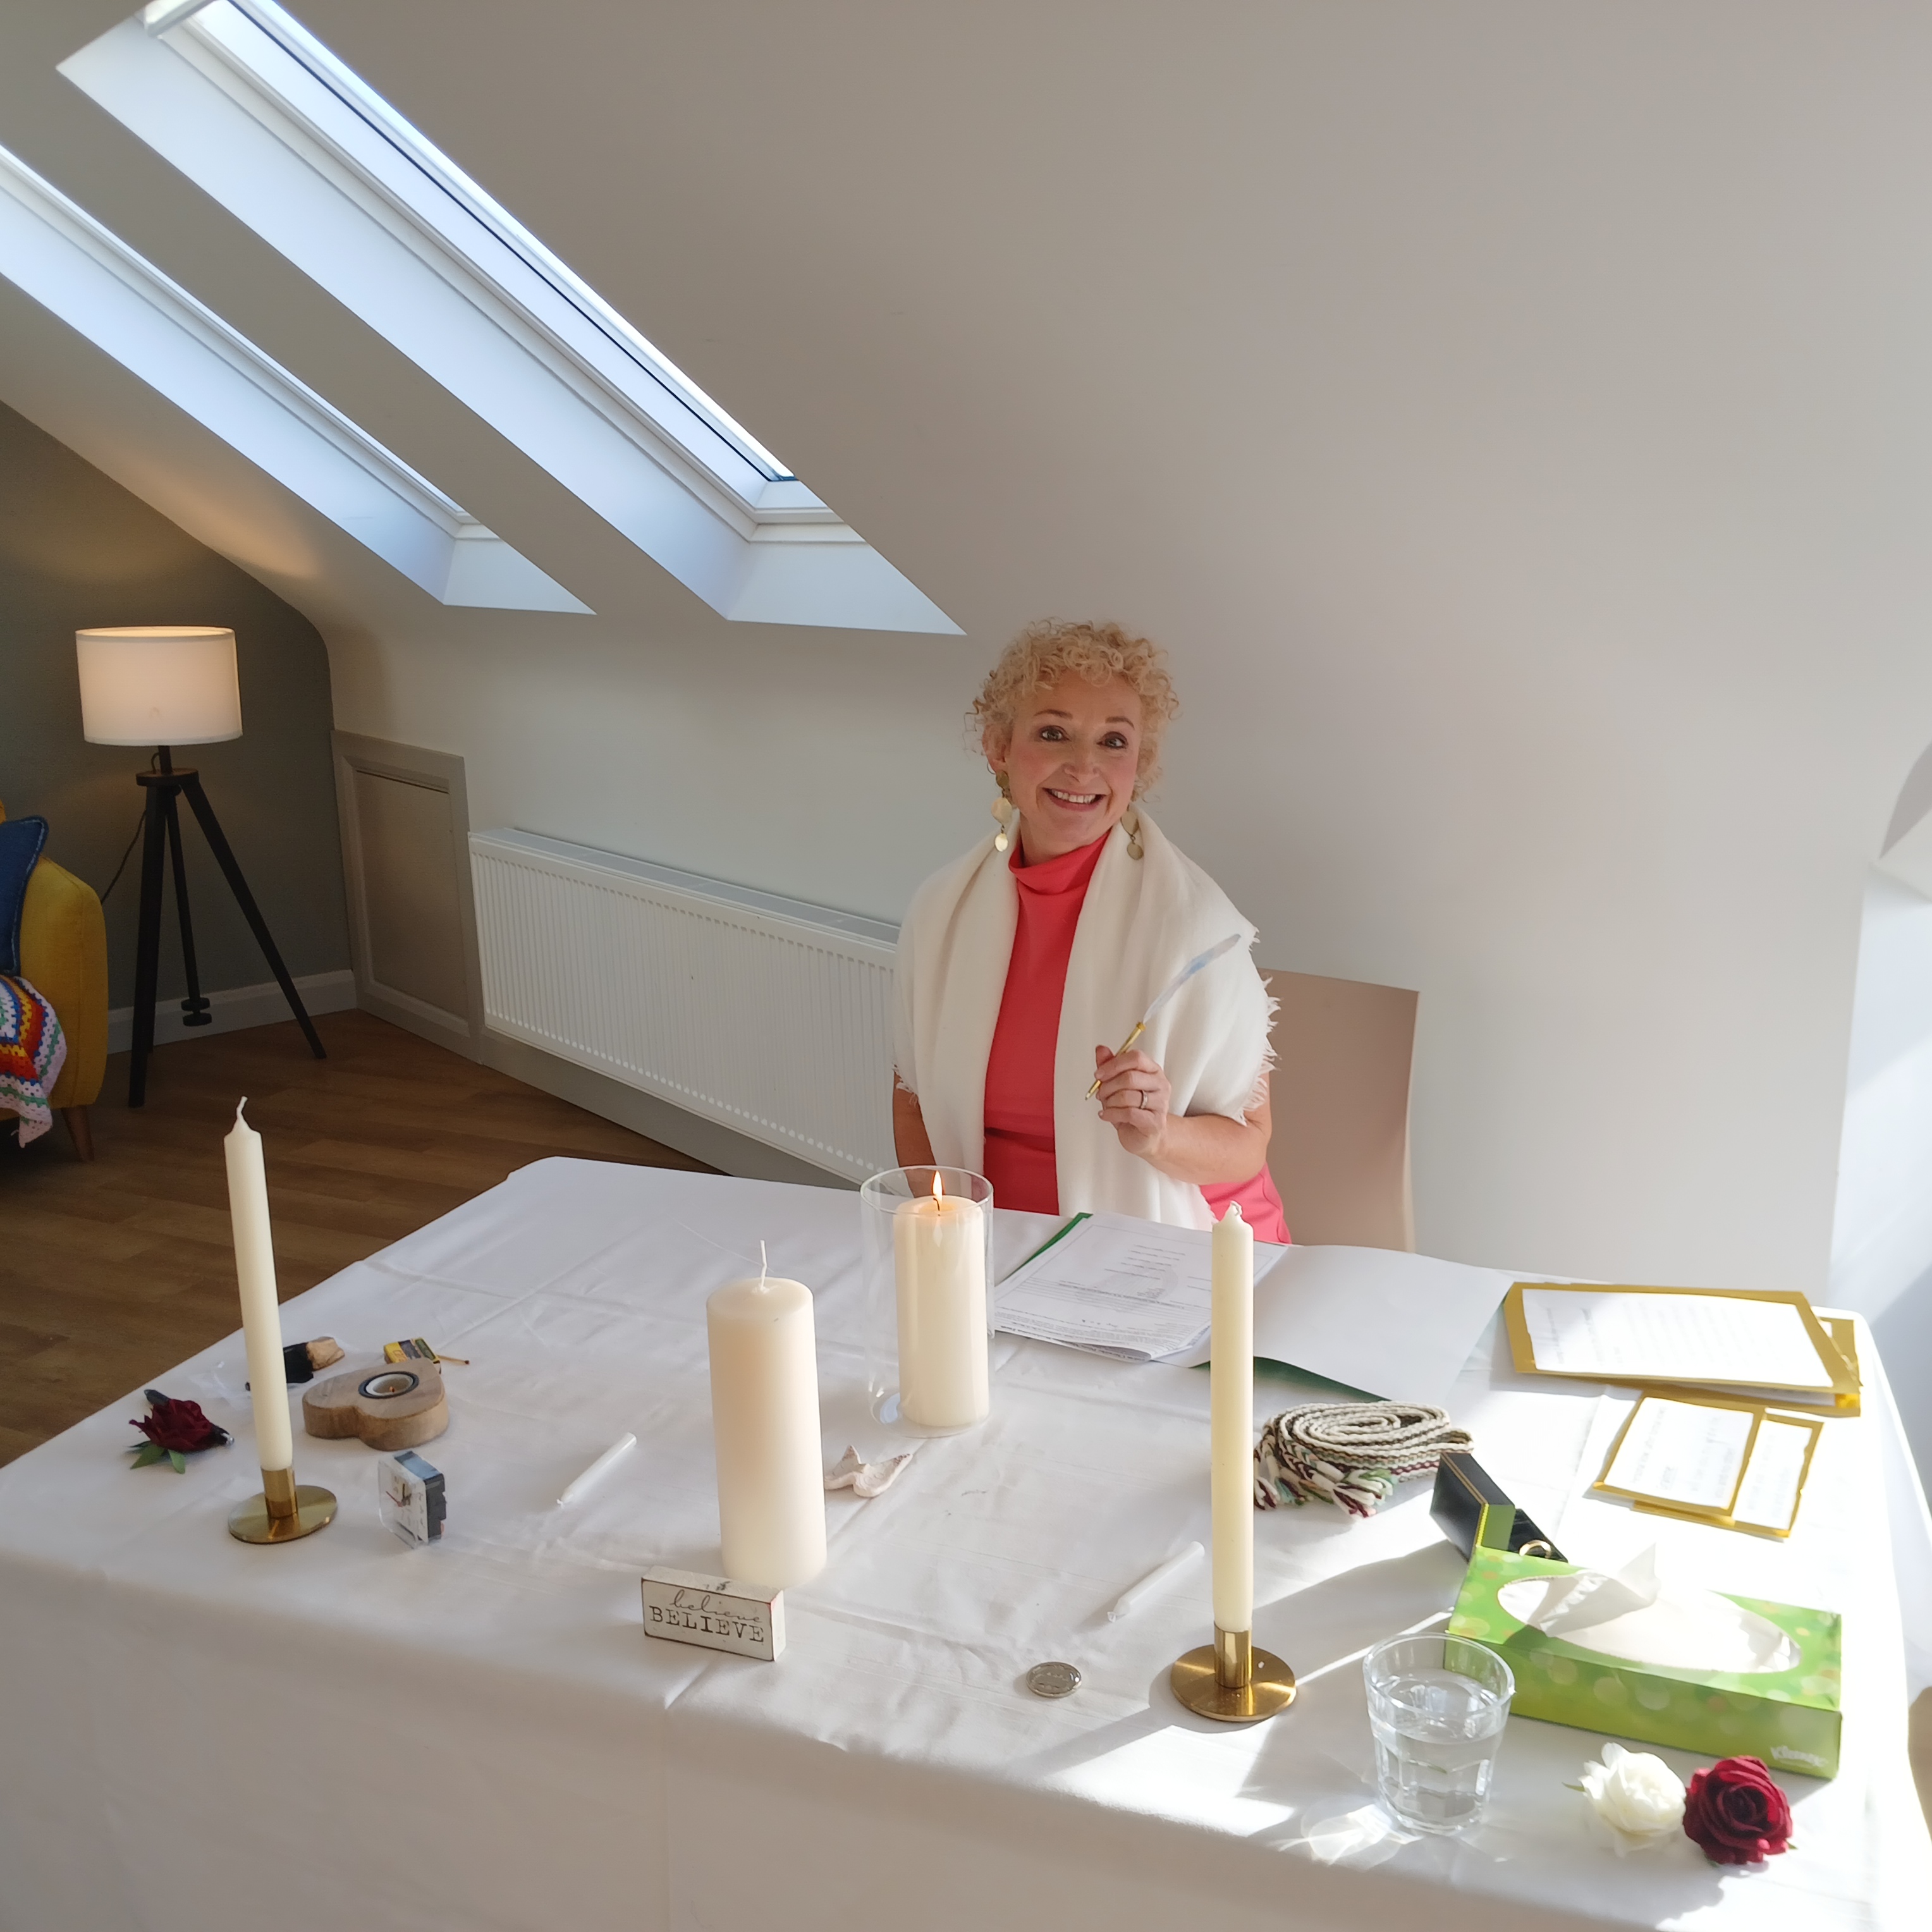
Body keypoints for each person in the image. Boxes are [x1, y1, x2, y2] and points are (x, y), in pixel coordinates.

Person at [893, 619, 1288, 1240]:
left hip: (1184, 1246)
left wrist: (1159, 1132)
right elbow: (912, 1100)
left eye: (1112, 741)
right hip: (992, 1242)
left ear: (1140, 765)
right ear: (998, 747)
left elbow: (1245, 1148)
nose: (1083, 766)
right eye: (1053, 733)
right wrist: (956, 1236)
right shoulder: (938, 910)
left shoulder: (1195, 926)